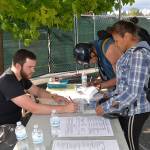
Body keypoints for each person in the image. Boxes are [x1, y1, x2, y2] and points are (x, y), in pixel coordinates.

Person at [96, 20, 150, 150]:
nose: (115, 44)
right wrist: (110, 95)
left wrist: (106, 107)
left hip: (136, 110)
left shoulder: (138, 55)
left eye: (116, 40)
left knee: (129, 145)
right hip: (129, 108)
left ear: (126, 36)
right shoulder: (131, 53)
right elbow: (124, 85)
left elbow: (133, 92)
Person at [0, 49, 77, 125]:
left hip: (16, 123)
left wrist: (54, 96)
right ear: (18, 66)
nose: (33, 70)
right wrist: (65, 109)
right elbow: (34, 108)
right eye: (30, 67)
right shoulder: (8, 81)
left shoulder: (20, 77)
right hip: (5, 129)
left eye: (34, 67)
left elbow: (38, 91)